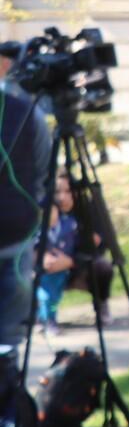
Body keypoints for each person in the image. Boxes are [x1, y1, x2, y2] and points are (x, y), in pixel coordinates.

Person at [0, 70, 50, 376]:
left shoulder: (25, 114)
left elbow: (42, 167)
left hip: (16, 245)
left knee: (8, 339)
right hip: (19, 236)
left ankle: (7, 408)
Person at [33, 174, 78, 340]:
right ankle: (47, 320)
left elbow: (79, 237)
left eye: (51, 212)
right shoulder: (38, 232)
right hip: (43, 272)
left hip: (62, 271)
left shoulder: (68, 224)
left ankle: (46, 318)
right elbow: (33, 247)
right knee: (45, 296)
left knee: (54, 296)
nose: (48, 216)